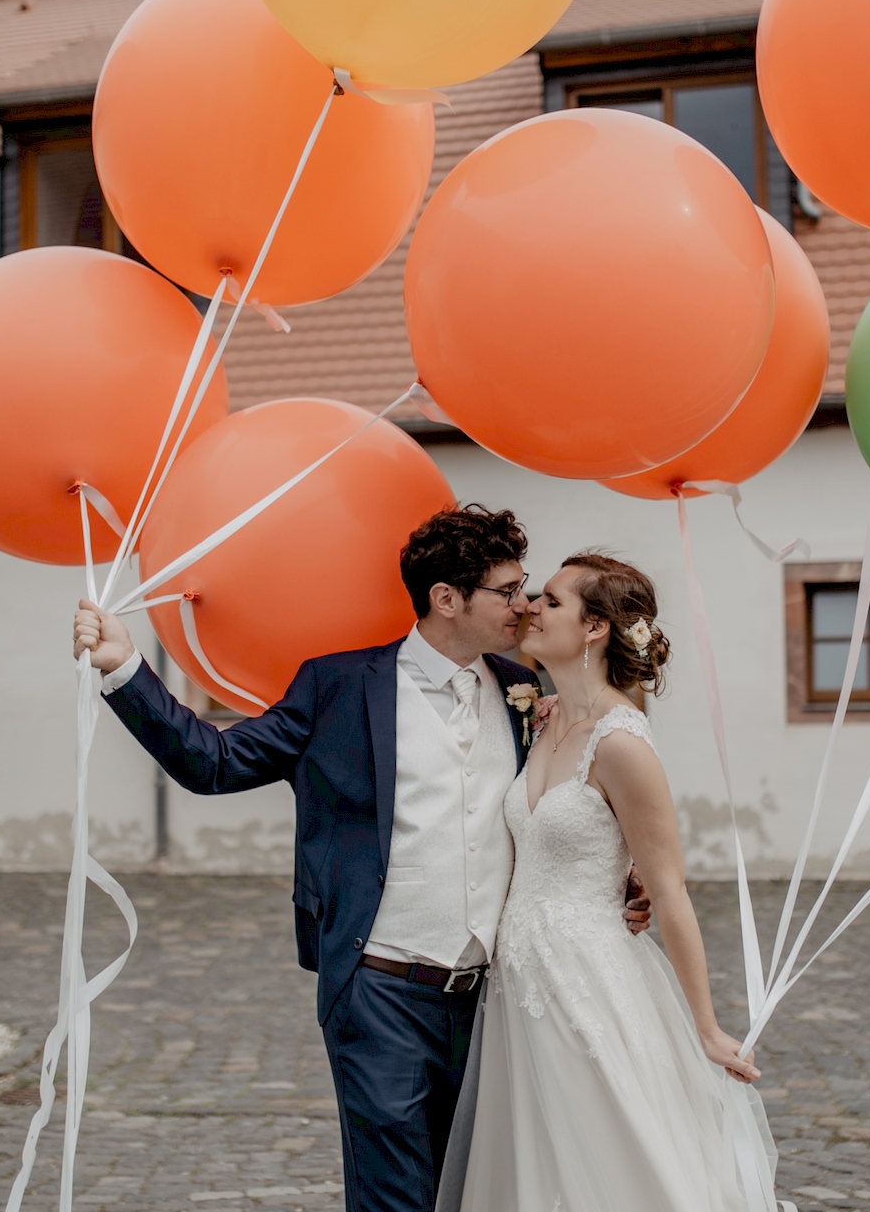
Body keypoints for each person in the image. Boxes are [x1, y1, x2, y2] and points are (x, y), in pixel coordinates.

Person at [71, 506, 650, 1212]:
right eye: (507, 591)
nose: (524, 605)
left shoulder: (522, 693)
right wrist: (124, 667)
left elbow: (555, 808)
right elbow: (212, 762)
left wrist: (617, 870)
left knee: (474, 1192)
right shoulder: (337, 687)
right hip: (380, 990)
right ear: (446, 599)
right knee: (393, 1199)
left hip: (496, 1001)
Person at [450, 553, 784, 1212]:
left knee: (610, 1164)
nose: (531, 608)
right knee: (540, 1171)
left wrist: (707, 1028)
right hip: (519, 986)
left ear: (596, 626)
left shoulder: (623, 743)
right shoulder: (539, 720)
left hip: (588, 981)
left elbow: (670, 888)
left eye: (551, 600)